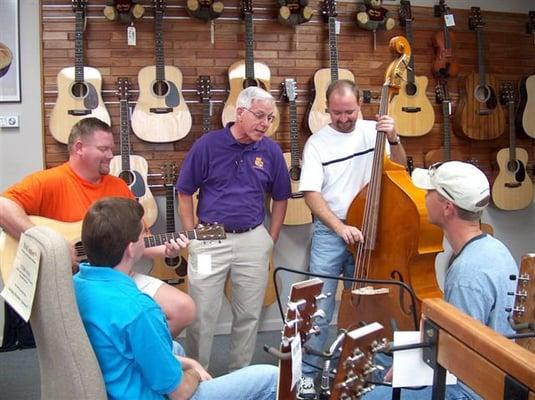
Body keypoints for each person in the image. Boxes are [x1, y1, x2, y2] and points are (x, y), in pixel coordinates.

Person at [0, 117, 195, 337]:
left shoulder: (119, 186)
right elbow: (3, 206)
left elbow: (140, 241)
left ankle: (133, 356)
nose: (111, 156)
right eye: (103, 149)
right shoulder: (49, 181)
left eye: (111, 149)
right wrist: (49, 243)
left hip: (116, 278)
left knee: (184, 309)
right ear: (79, 148)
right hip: (71, 283)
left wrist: (168, 249)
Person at [73, 197, 278, 400]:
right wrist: (195, 372)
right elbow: (179, 393)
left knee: (176, 349)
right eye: (144, 233)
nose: (147, 237)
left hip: (113, 379)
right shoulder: (140, 309)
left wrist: (185, 364)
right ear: (130, 248)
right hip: (155, 394)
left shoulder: (75, 284)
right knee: (271, 377)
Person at [362, 161, 518, 400]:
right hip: (491, 372)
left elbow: (459, 359)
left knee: (371, 396)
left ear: (447, 208)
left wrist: (411, 368)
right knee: (383, 356)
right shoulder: (494, 248)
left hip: (471, 389)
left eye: (430, 192)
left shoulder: (467, 274)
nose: (424, 195)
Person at [297, 79, 407, 398]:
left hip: (371, 229)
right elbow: (311, 194)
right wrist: (338, 227)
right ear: (327, 109)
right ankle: (308, 373)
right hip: (332, 230)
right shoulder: (317, 143)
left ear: (360, 103)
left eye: (349, 111)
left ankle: (372, 369)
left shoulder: (376, 130)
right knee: (320, 305)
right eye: (336, 113)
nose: (343, 119)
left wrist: (395, 138)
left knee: (370, 304)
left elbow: (399, 168)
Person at [176, 86, 291, 371]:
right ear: (240, 112)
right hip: (208, 237)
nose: (265, 124)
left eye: (270, 118)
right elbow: (184, 191)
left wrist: (270, 239)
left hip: (253, 239)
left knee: (249, 315)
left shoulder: (271, 150)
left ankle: (239, 376)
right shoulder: (207, 145)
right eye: (260, 116)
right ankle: (196, 374)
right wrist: (192, 236)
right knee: (200, 313)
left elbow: (281, 197)